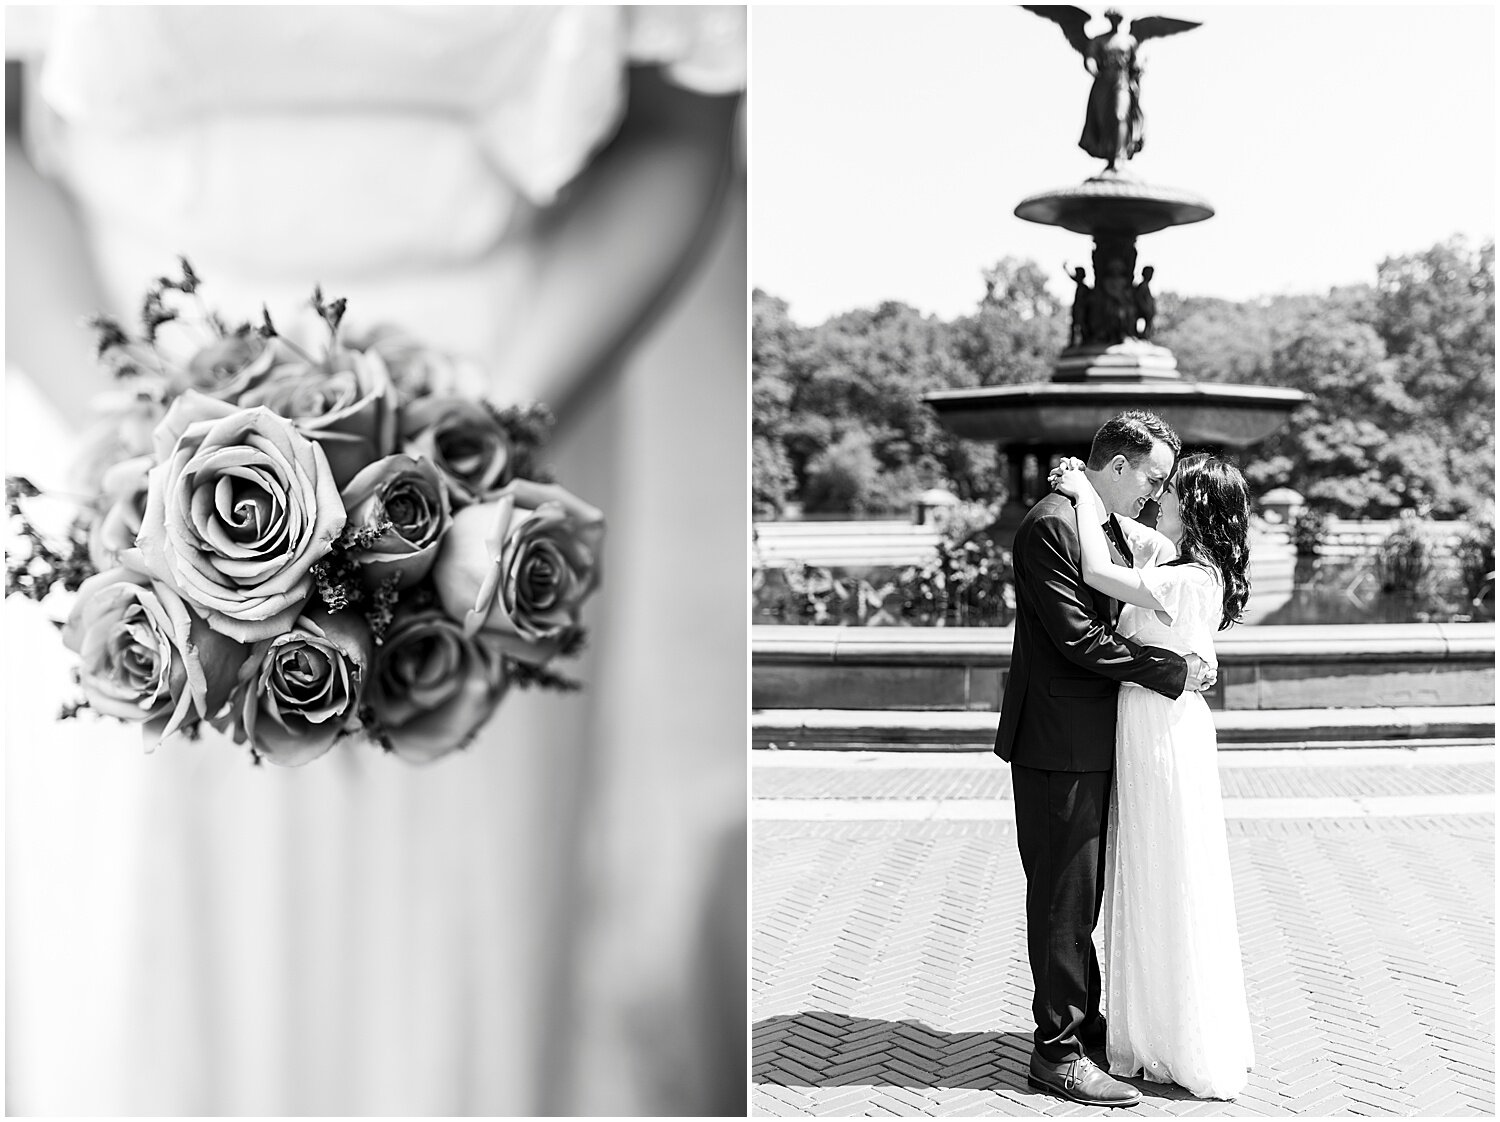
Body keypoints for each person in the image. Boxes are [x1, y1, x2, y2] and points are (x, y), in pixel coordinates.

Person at [4, 7, 745, 1116]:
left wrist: (471, 469)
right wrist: (148, 483)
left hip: (509, 392)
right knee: (134, 973)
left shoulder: (487, 454)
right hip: (98, 383)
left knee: (456, 978)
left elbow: (683, 132)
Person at [994, 410, 1216, 1108]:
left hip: (1092, 735)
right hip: (1057, 742)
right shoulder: (1053, 526)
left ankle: (1081, 1022)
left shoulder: (1095, 517)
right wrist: (1171, 671)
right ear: (1117, 466)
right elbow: (1078, 640)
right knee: (1063, 899)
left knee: (1082, 893)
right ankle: (1055, 1053)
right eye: (1151, 477)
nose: (1154, 492)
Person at [1051, 450, 1256, 1100]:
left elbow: (1095, 569)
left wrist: (1084, 496)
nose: (1158, 495)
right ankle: (1159, 1028)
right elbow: (1136, 541)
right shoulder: (1186, 568)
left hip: (1159, 732)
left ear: (1191, 507)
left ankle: (1172, 1037)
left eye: (1171, 489)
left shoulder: (1183, 580)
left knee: (1166, 871)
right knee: (1157, 869)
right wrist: (1099, 498)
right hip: (1158, 723)